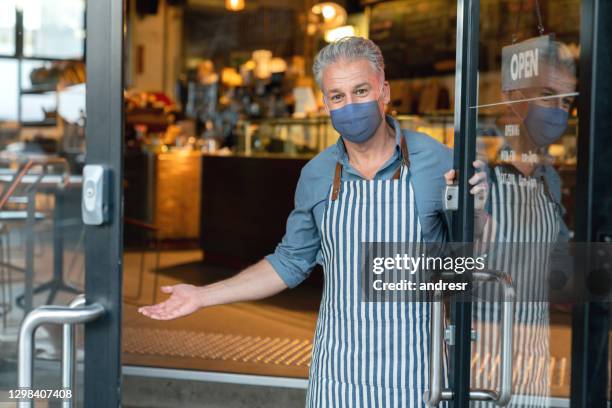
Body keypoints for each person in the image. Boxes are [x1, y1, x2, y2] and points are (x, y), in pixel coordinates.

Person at [139, 36, 484, 407]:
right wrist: (203, 295)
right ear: (325, 104)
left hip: (416, 376)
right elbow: (290, 262)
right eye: (338, 97)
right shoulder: (317, 174)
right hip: (339, 375)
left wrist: (478, 211)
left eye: (361, 90)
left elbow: (467, 265)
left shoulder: (438, 161)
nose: (349, 105)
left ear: (384, 92)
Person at [465, 39, 577, 408]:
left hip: (533, 363)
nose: (559, 113)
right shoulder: (480, 171)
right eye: (547, 95)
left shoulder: (551, 180)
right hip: (480, 364)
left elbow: (560, 278)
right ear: (512, 95)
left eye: (566, 102)